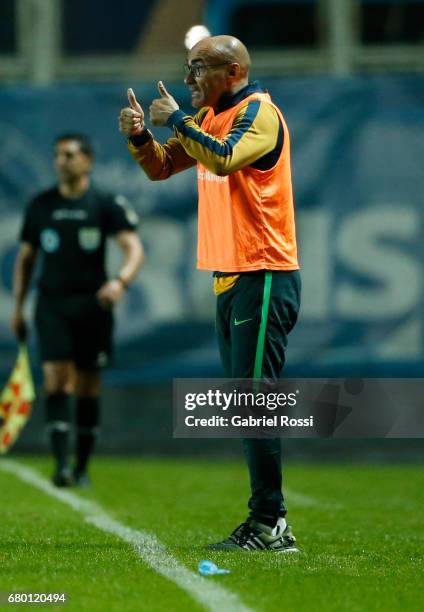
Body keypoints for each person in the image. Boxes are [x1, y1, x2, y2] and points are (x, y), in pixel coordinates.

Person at [119, 35, 301, 551]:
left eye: (198, 68)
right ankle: (268, 521)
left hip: (264, 272)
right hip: (231, 275)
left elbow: (222, 160)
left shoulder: (259, 114)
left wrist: (176, 119)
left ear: (234, 71)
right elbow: (160, 167)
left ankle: (270, 524)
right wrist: (138, 138)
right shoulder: (205, 119)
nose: (188, 78)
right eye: (187, 67)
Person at [11, 133, 144, 487]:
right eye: (57, 155)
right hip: (52, 304)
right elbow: (26, 259)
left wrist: (120, 282)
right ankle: (60, 466)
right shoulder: (41, 205)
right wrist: (19, 307)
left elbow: (133, 248)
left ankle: (82, 466)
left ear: (88, 160)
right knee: (56, 379)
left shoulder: (104, 203)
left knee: (87, 386)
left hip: (92, 306)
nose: (61, 161)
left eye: (69, 155)